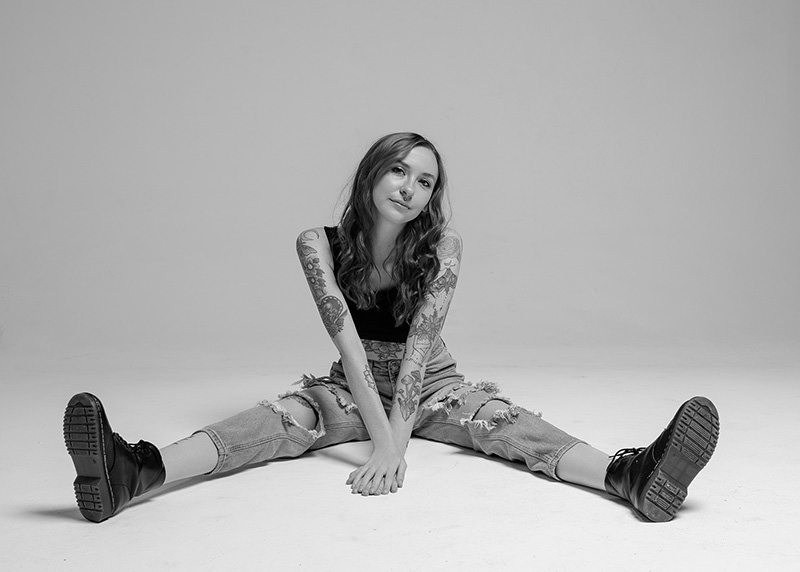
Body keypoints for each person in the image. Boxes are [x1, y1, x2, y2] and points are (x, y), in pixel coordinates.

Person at [63, 132, 720, 524]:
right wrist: (380, 440)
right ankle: (135, 471)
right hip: (348, 385)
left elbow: (418, 355)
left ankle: (627, 476)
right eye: (400, 169)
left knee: (502, 422)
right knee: (278, 420)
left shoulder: (446, 248)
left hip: (430, 382)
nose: (410, 187)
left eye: (426, 181)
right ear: (373, 172)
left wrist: (394, 447)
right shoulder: (315, 243)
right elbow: (347, 342)